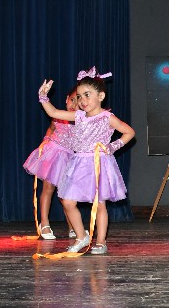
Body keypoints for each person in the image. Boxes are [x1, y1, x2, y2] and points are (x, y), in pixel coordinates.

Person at [37, 68, 135, 255]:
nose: (82, 100)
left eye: (87, 95)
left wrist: (112, 146)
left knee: (99, 204)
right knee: (67, 201)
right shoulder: (79, 116)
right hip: (79, 163)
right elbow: (54, 112)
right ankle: (82, 236)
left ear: (101, 96)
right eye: (79, 96)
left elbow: (129, 132)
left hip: (98, 163)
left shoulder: (107, 117)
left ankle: (100, 241)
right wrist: (43, 97)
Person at [23, 88, 77, 239]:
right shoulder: (59, 116)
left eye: (78, 102)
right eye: (72, 100)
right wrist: (46, 141)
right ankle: (45, 223)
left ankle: (73, 227)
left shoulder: (80, 120)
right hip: (53, 154)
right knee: (48, 188)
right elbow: (51, 129)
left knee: (66, 195)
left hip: (69, 158)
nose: (74, 105)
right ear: (67, 99)